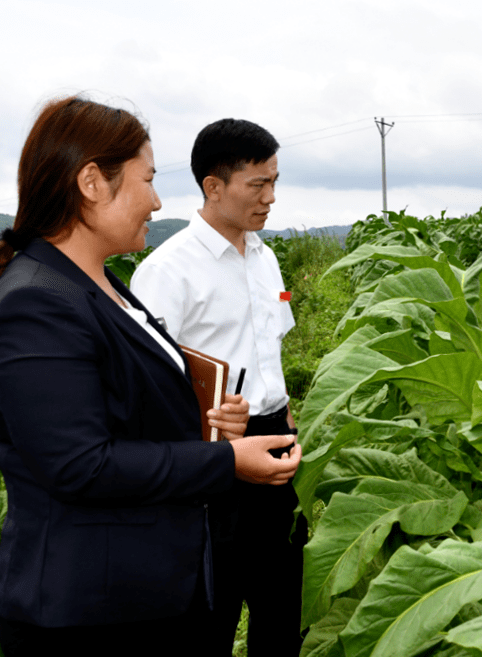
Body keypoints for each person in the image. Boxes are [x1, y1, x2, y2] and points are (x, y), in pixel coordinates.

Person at [0, 96, 301, 657]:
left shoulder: (102, 284)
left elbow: (132, 396)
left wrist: (212, 418)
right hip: (89, 605)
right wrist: (227, 458)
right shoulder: (39, 301)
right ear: (92, 182)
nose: (158, 200)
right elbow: (78, 463)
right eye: (147, 179)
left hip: (147, 577)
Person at [131, 118, 305, 654]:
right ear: (213, 186)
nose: (270, 197)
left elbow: (269, 350)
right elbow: (145, 388)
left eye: (274, 182)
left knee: (284, 603)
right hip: (211, 455)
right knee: (212, 609)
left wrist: (288, 416)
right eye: (257, 185)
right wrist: (207, 434)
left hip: (274, 443)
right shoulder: (167, 271)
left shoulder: (264, 255)